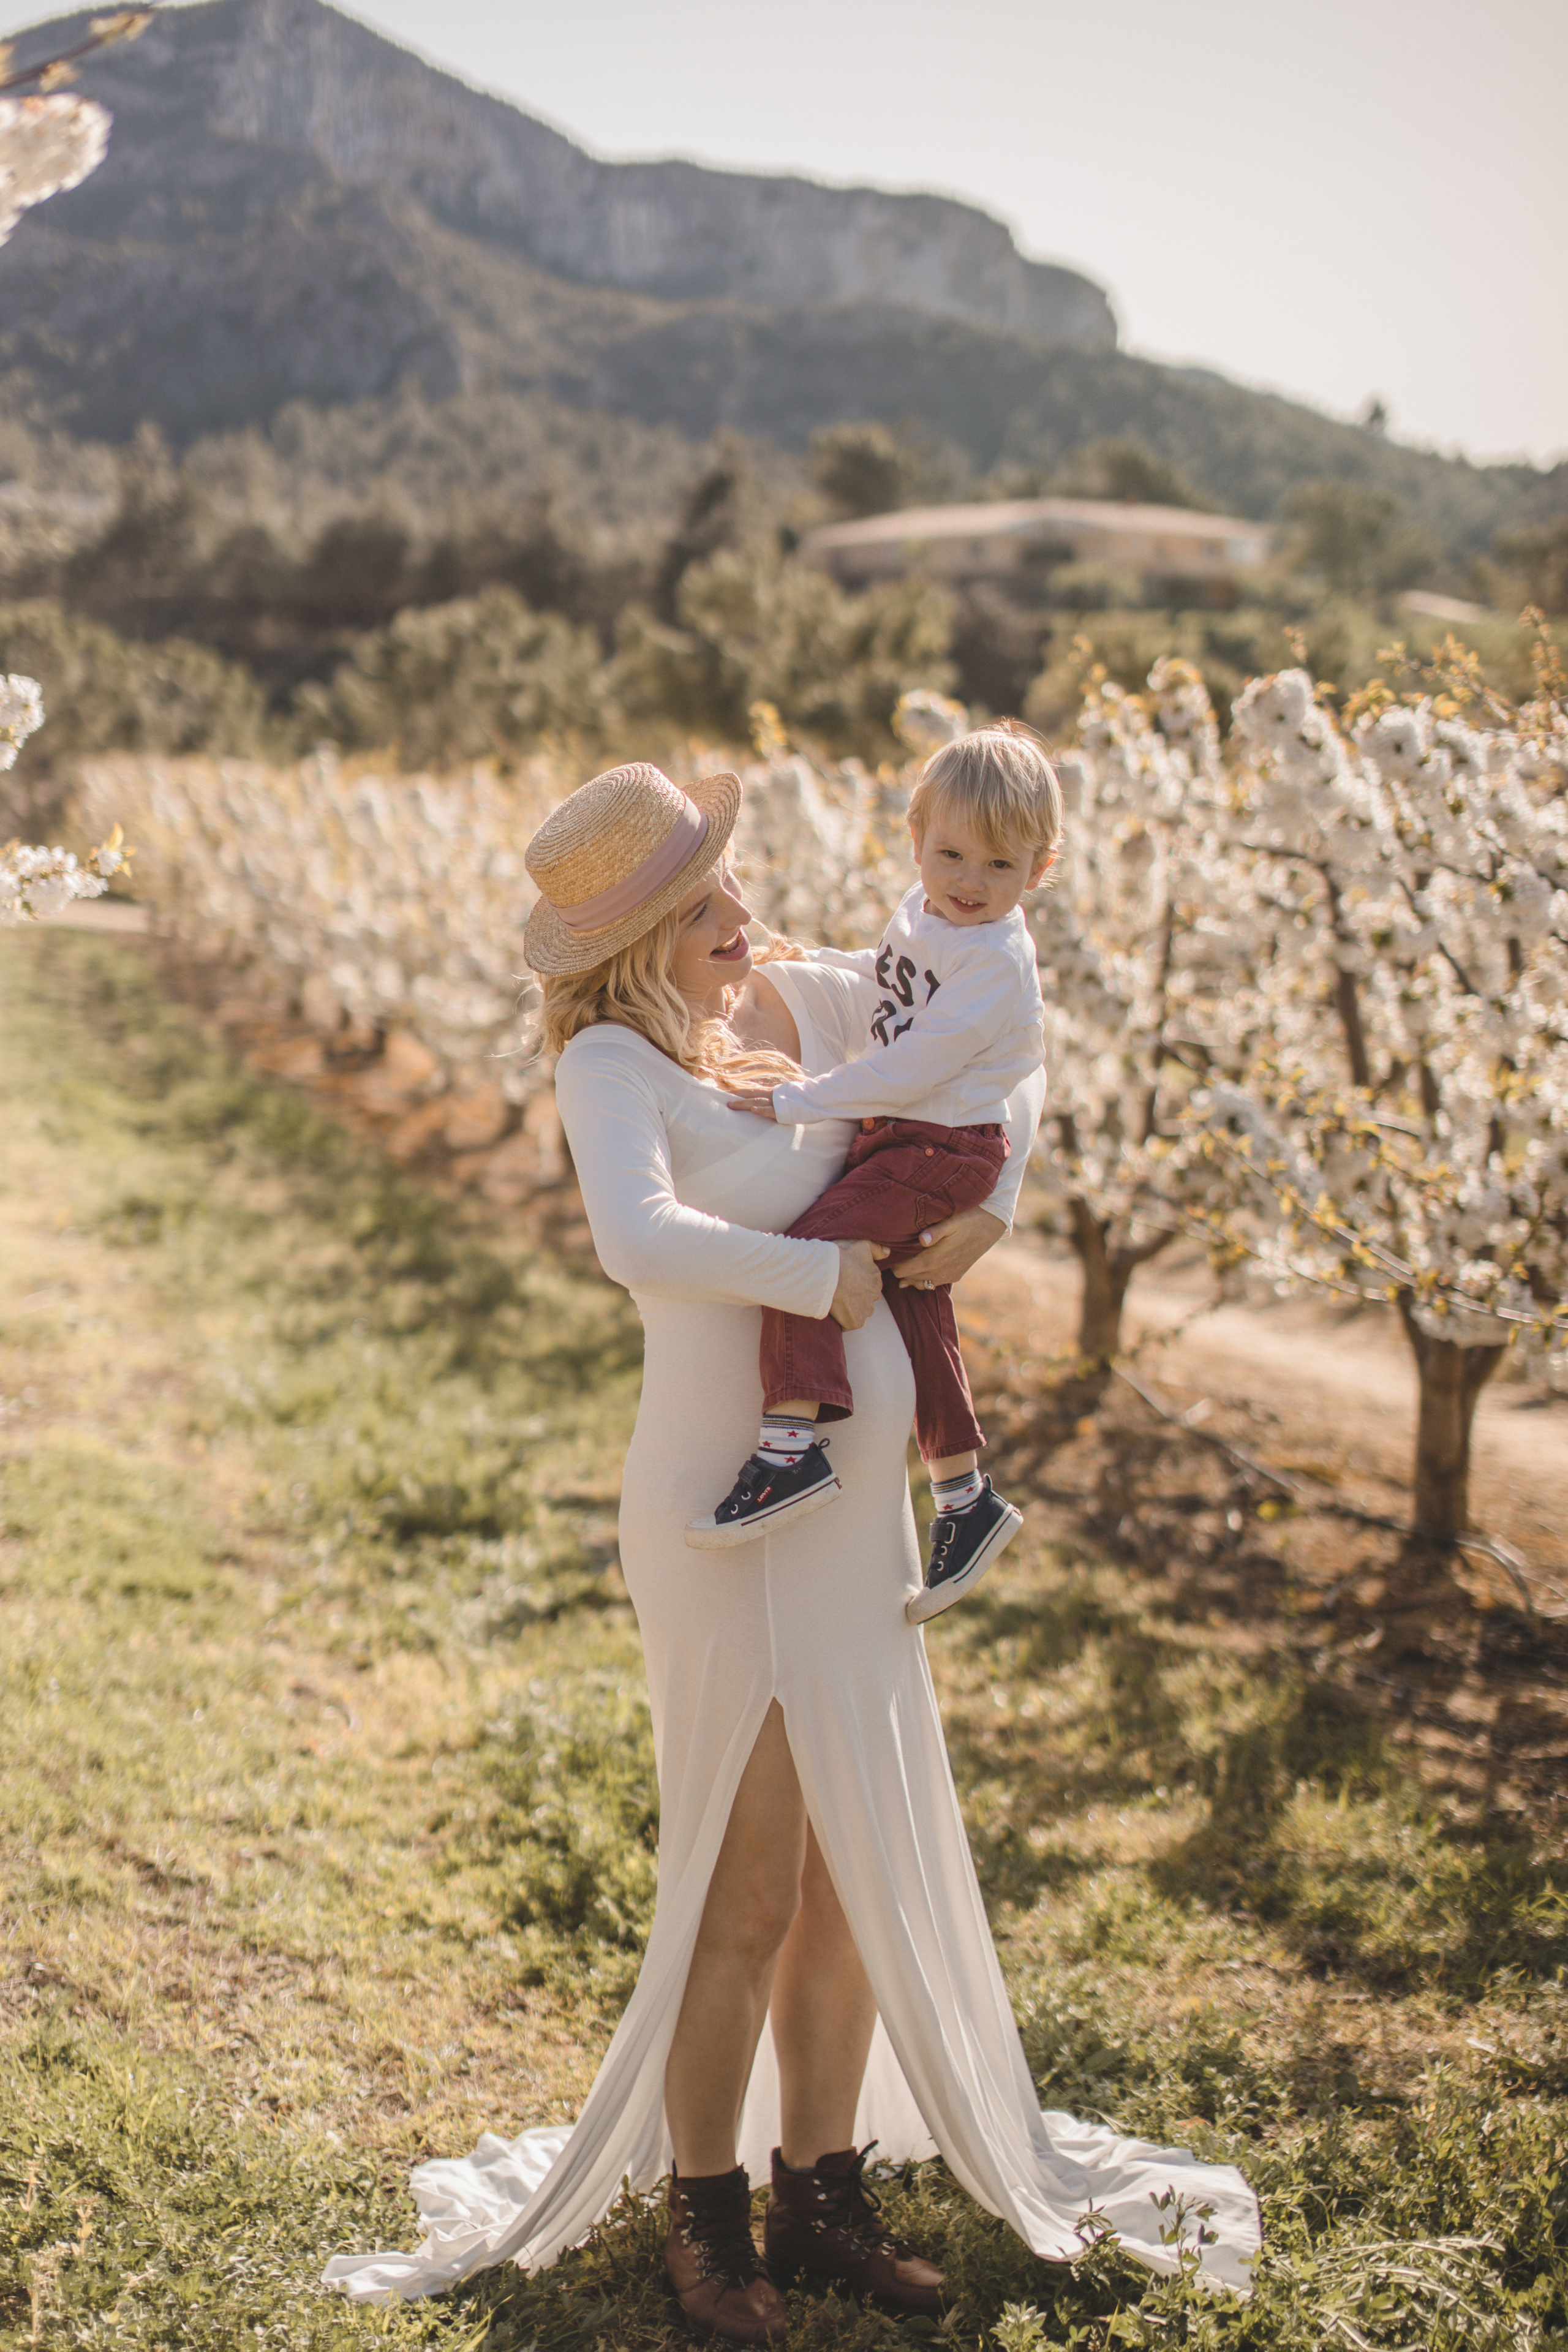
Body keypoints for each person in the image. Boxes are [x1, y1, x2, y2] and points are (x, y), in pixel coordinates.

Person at [324, 762, 1261, 2331]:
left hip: (852, 1523)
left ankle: (817, 2189)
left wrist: (1002, 1202)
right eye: (711, 903)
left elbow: (999, 1048)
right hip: (723, 1513)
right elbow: (636, 1239)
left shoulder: (792, 1006)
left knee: (847, 1875)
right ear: (641, 942)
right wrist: (816, 1279)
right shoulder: (615, 1065)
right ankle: (707, 2220)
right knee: (746, 1887)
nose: (748, 915)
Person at [687, 724, 1058, 1629]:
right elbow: (892, 984)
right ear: (916, 836)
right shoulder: (931, 914)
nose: (970, 882)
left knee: (810, 1253)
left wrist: (797, 1102)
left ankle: (791, 1447)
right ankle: (965, 1497)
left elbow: (912, 1061)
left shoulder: (996, 962)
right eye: (951, 854)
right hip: (912, 1136)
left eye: (1000, 867)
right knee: (916, 1291)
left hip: (941, 1144)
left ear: (1039, 872)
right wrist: (815, 961)